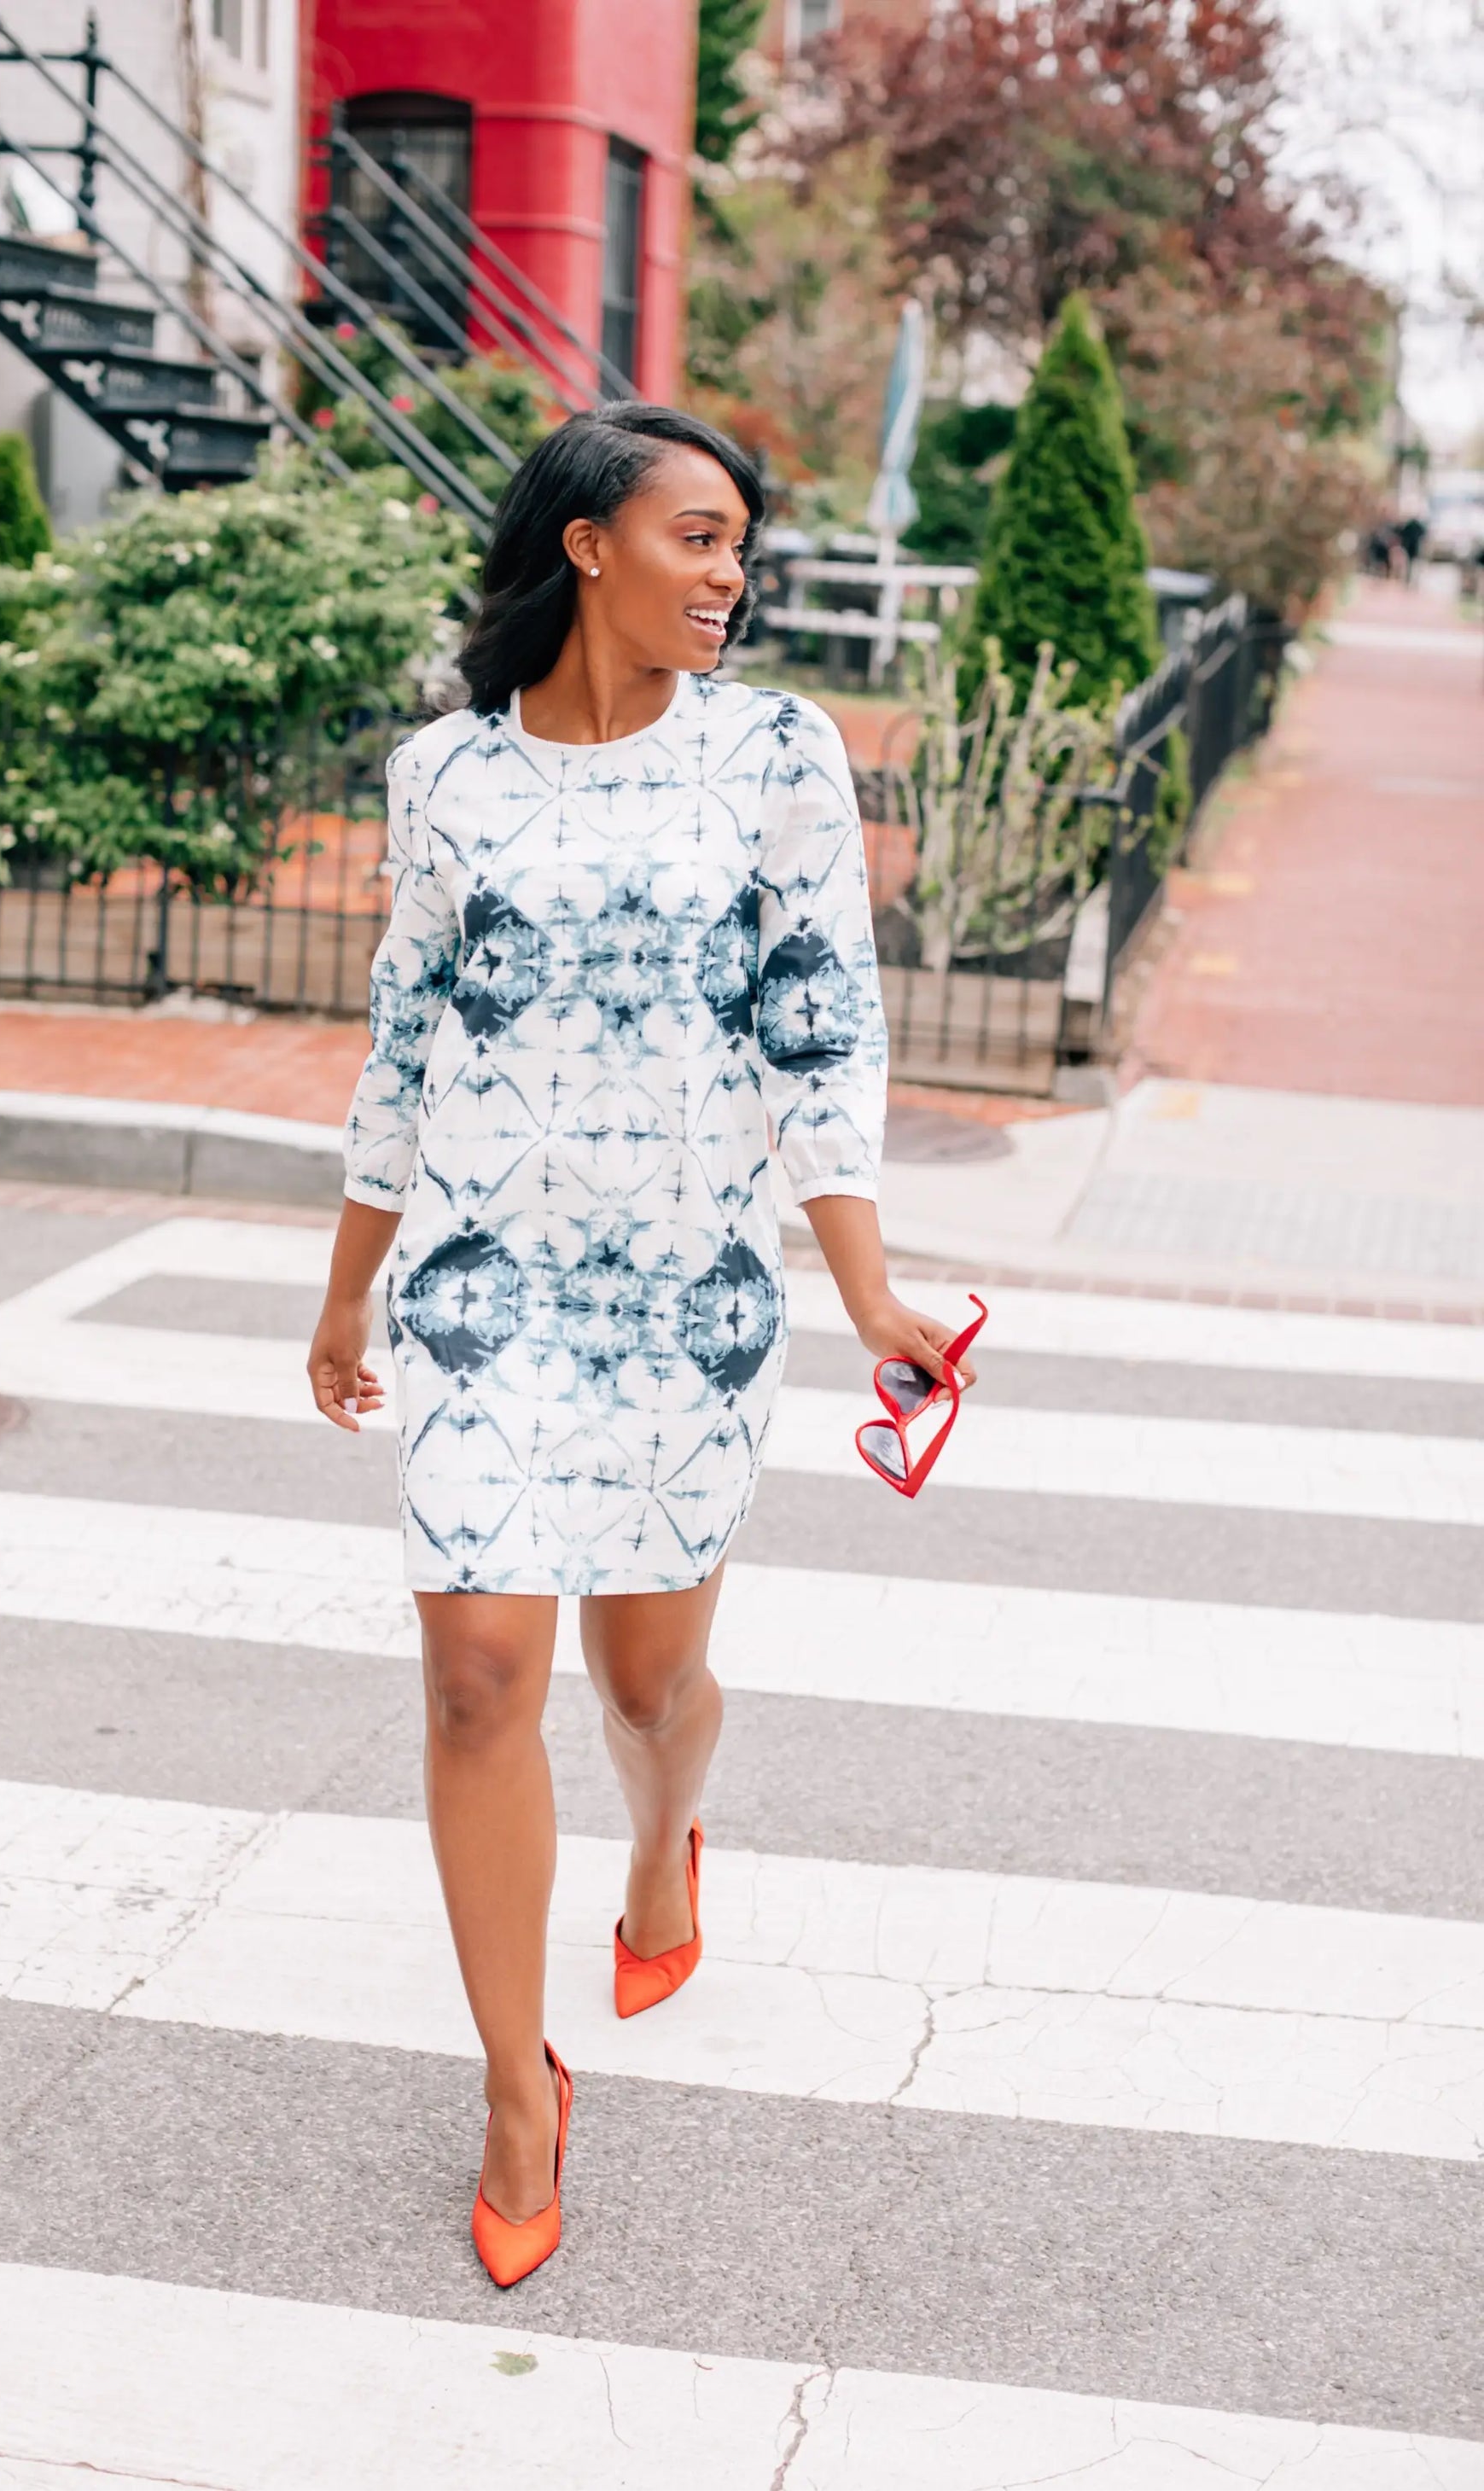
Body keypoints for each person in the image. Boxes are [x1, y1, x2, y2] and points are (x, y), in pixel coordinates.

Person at [306, 404, 978, 2287]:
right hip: (482, 1276)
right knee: (474, 1667)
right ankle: (520, 2085)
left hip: (686, 1286)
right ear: (586, 545)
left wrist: (867, 1289)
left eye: (739, 544)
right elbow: (405, 1036)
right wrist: (349, 1279)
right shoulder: (443, 771)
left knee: (644, 1677)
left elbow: (818, 1022)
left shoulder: (775, 751)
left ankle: (667, 1836)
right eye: (696, 536)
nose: (729, 573)